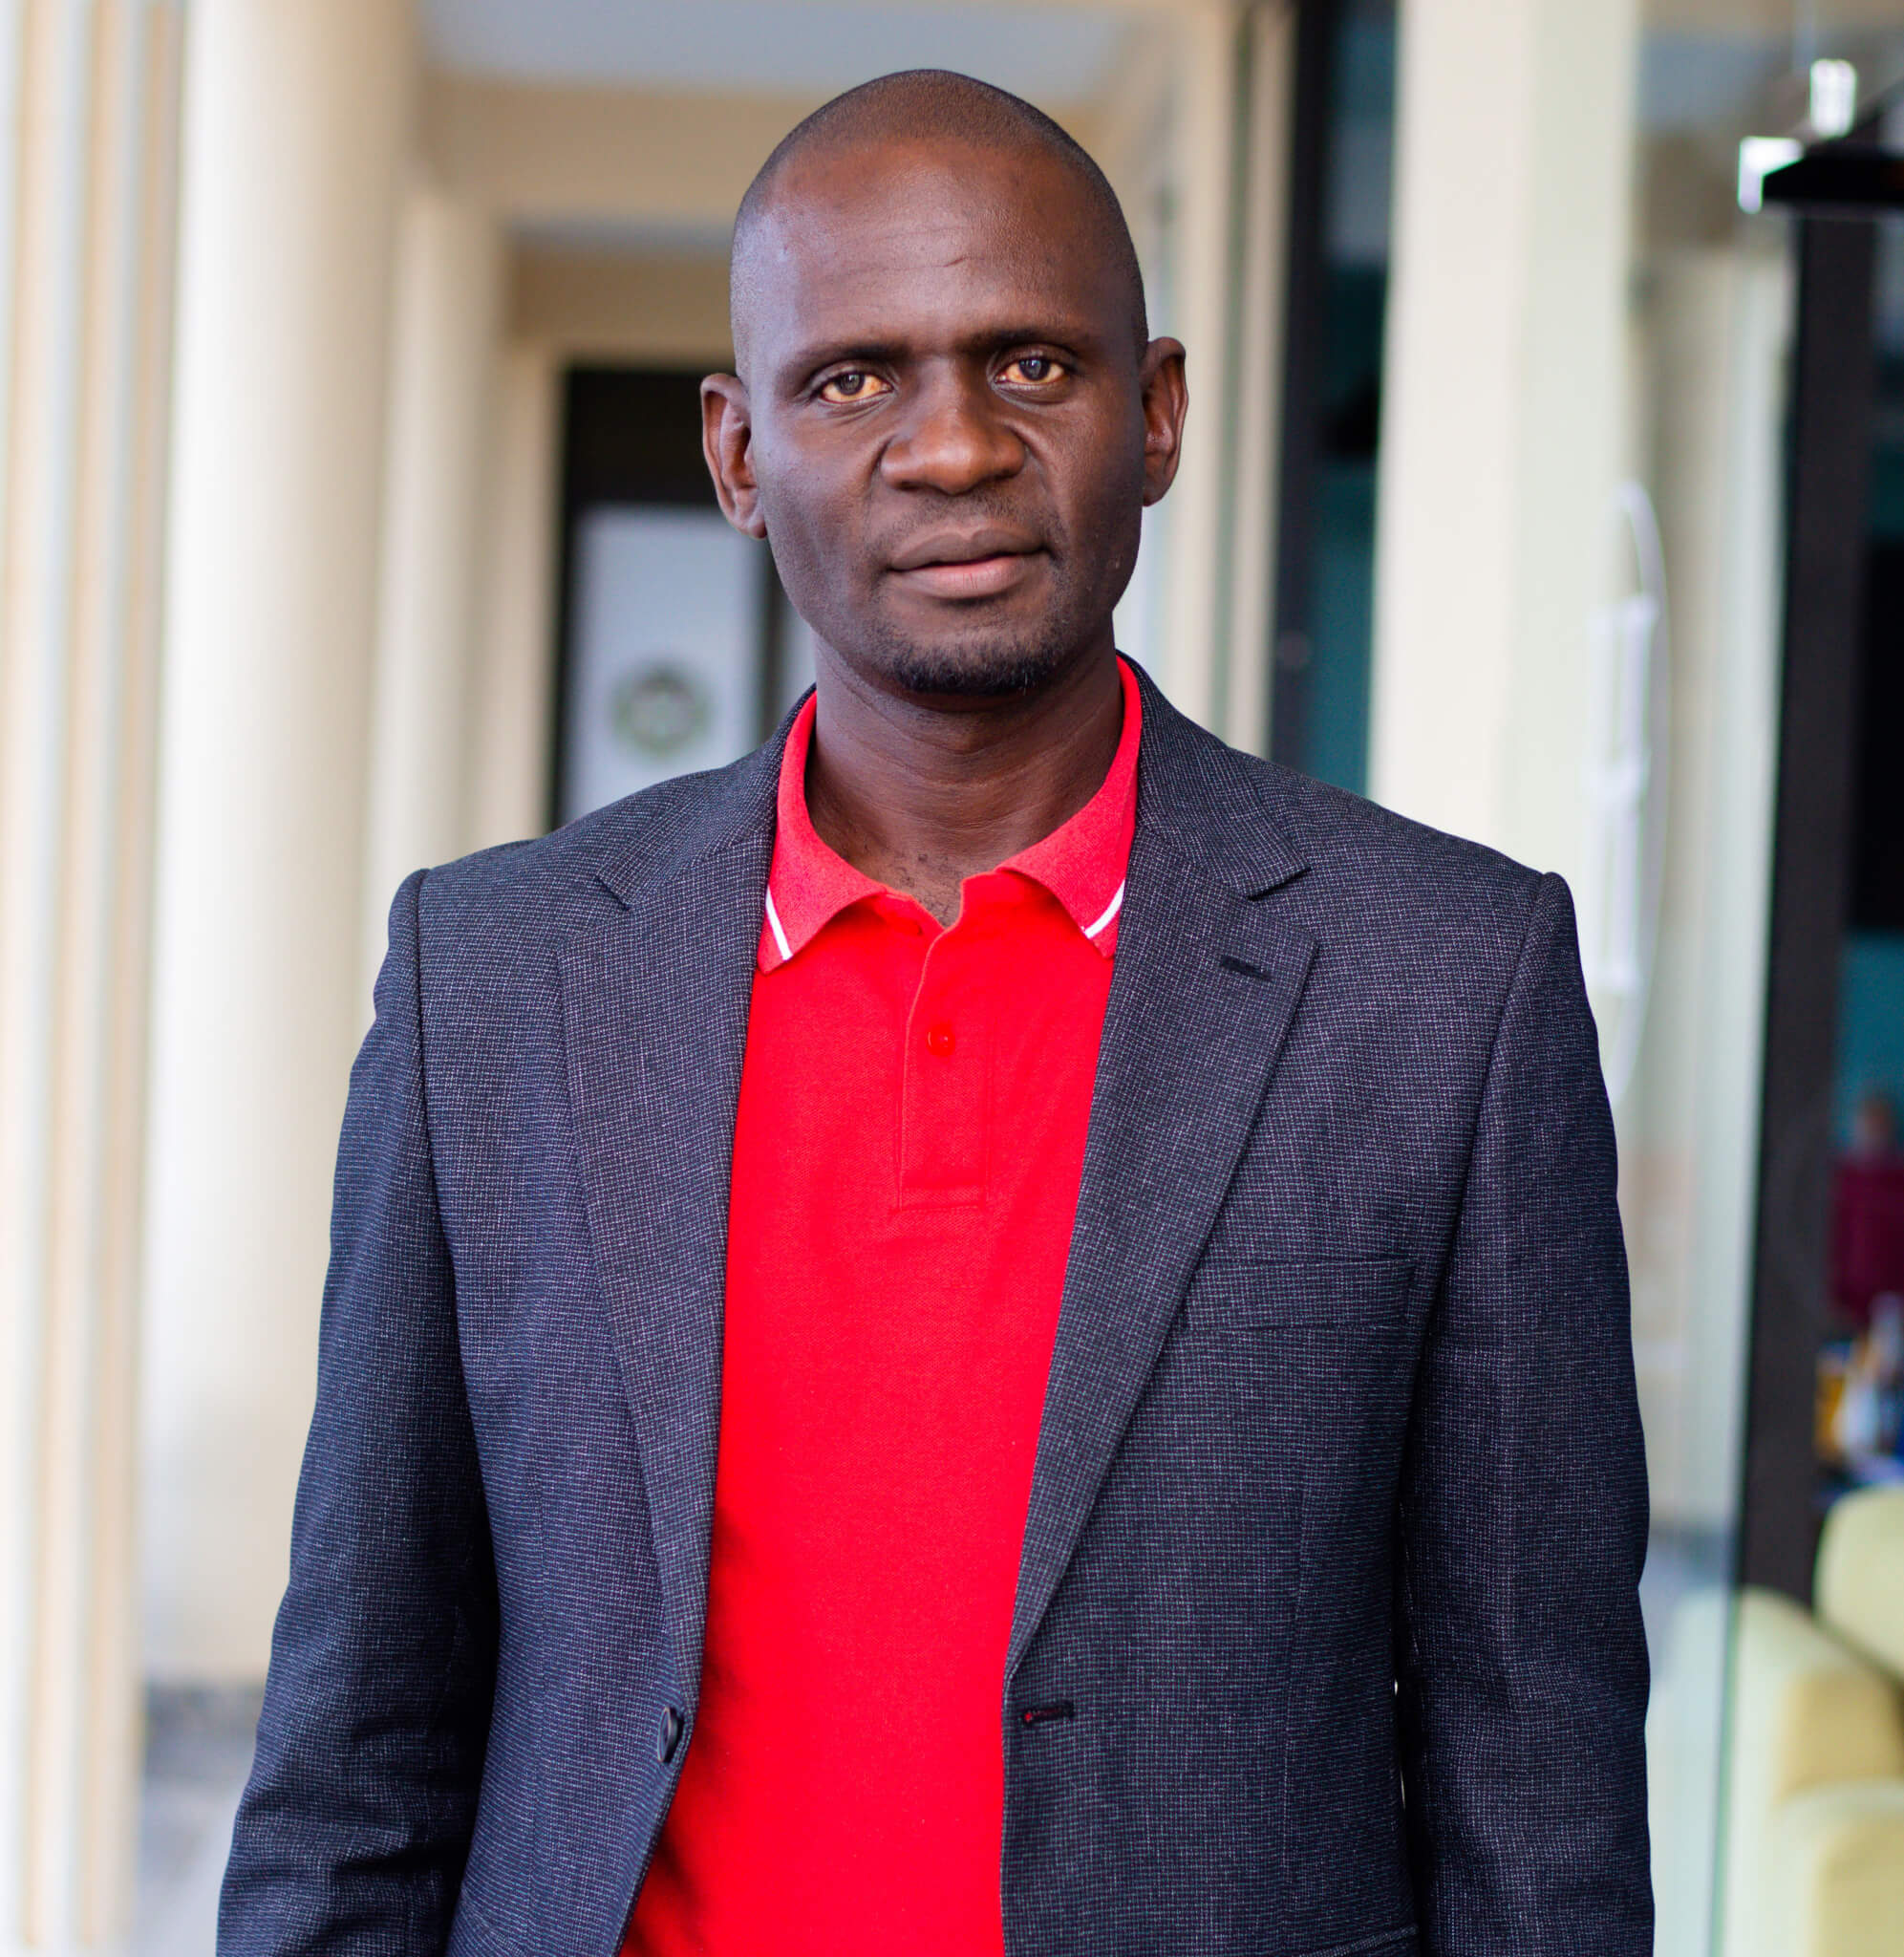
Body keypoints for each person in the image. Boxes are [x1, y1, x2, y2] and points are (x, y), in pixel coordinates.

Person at [219, 68, 1650, 1957]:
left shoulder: (1444, 983)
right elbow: (359, 1737)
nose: (953, 446)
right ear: (738, 454)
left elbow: (1534, 1773)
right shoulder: (492, 979)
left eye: (1031, 365)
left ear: (1156, 413)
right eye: (852, 379)